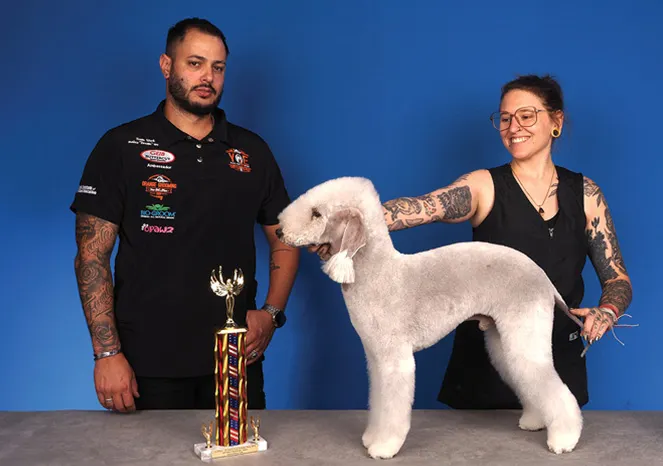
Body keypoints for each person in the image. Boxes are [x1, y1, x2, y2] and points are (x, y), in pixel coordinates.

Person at [312, 74, 632, 410]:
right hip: (482, 378)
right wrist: (341, 225)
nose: (513, 127)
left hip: (559, 364)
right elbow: (421, 208)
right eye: (505, 118)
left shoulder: (587, 194)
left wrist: (607, 310)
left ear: (556, 121)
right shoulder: (483, 186)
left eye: (526, 115)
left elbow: (617, 280)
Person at [70, 18, 300, 413]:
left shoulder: (251, 152)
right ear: (166, 66)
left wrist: (270, 314)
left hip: (235, 359)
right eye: (195, 63)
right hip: (146, 365)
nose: (207, 77)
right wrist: (106, 353)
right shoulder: (121, 146)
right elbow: (91, 256)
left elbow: (287, 239)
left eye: (218, 67)